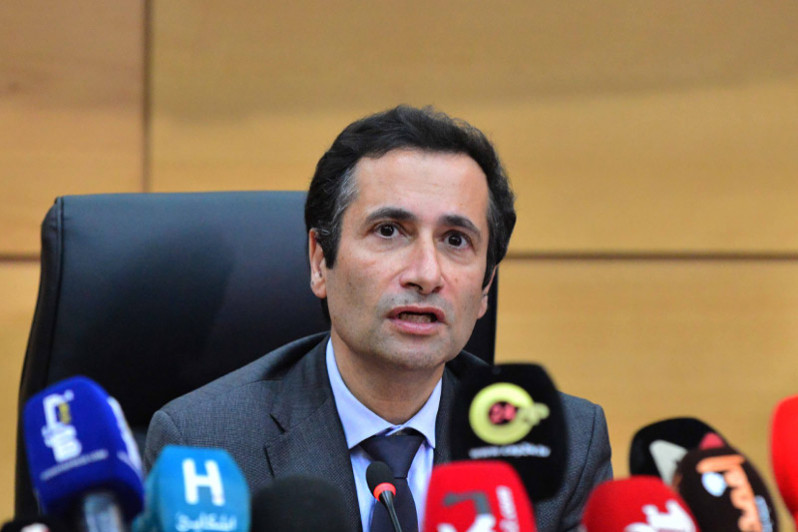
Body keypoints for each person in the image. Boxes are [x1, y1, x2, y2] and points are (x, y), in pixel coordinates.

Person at [144, 105, 612, 531]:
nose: (426, 275)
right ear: (319, 261)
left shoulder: (564, 448)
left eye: (455, 240)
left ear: (486, 285)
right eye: (389, 231)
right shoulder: (205, 448)